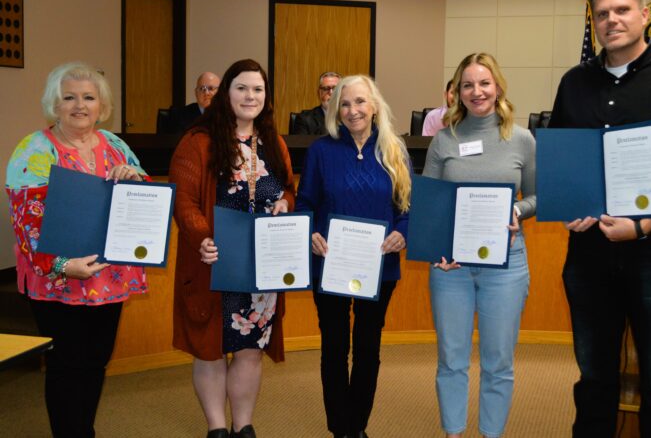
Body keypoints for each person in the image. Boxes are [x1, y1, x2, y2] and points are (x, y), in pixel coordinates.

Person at [548, 0, 651, 436]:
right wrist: (569, 204)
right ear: (593, 23)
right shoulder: (574, 82)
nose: (611, 20)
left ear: (644, 15)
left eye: (622, 10)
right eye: (602, 14)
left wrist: (643, 225)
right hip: (589, 252)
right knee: (593, 376)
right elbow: (564, 159)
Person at [5, 62, 149, 438]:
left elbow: (146, 199)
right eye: (69, 97)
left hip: (108, 277)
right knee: (66, 365)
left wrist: (135, 179)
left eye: (88, 97)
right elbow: (26, 220)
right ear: (55, 105)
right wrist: (62, 265)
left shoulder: (115, 145)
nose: (79, 105)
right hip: (57, 280)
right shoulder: (34, 149)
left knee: (95, 363)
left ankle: (84, 430)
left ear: (102, 105)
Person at [169, 59, 296, 438]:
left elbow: (288, 187)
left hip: (260, 269)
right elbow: (184, 201)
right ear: (227, 92)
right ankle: (217, 428)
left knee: (250, 349)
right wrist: (202, 238)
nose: (250, 96)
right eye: (242, 87)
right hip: (213, 263)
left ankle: (243, 426)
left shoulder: (272, 141)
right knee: (210, 351)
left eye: (258, 89)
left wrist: (286, 202)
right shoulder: (198, 141)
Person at [423, 53, 536, 438]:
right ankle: (453, 433)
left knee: (498, 362)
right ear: (457, 92)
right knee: (451, 359)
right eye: (467, 84)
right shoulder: (443, 139)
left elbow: (539, 196)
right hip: (450, 268)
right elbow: (429, 204)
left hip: (505, 266)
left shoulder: (522, 139)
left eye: (484, 83)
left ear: (498, 86)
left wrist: (518, 210)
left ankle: (492, 434)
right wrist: (436, 249)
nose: (477, 91)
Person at [296, 75, 411, 438]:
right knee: (333, 348)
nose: (353, 110)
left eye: (360, 102)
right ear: (335, 110)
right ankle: (340, 429)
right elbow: (305, 203)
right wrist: (310, 232)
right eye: (344, 104)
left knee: (366, 348)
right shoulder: (321, 150)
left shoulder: (394, 148)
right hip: (328, 262)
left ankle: (357, 425)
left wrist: (402, 234)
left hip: (380, 266)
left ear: (374, 105)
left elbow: (406, 208)